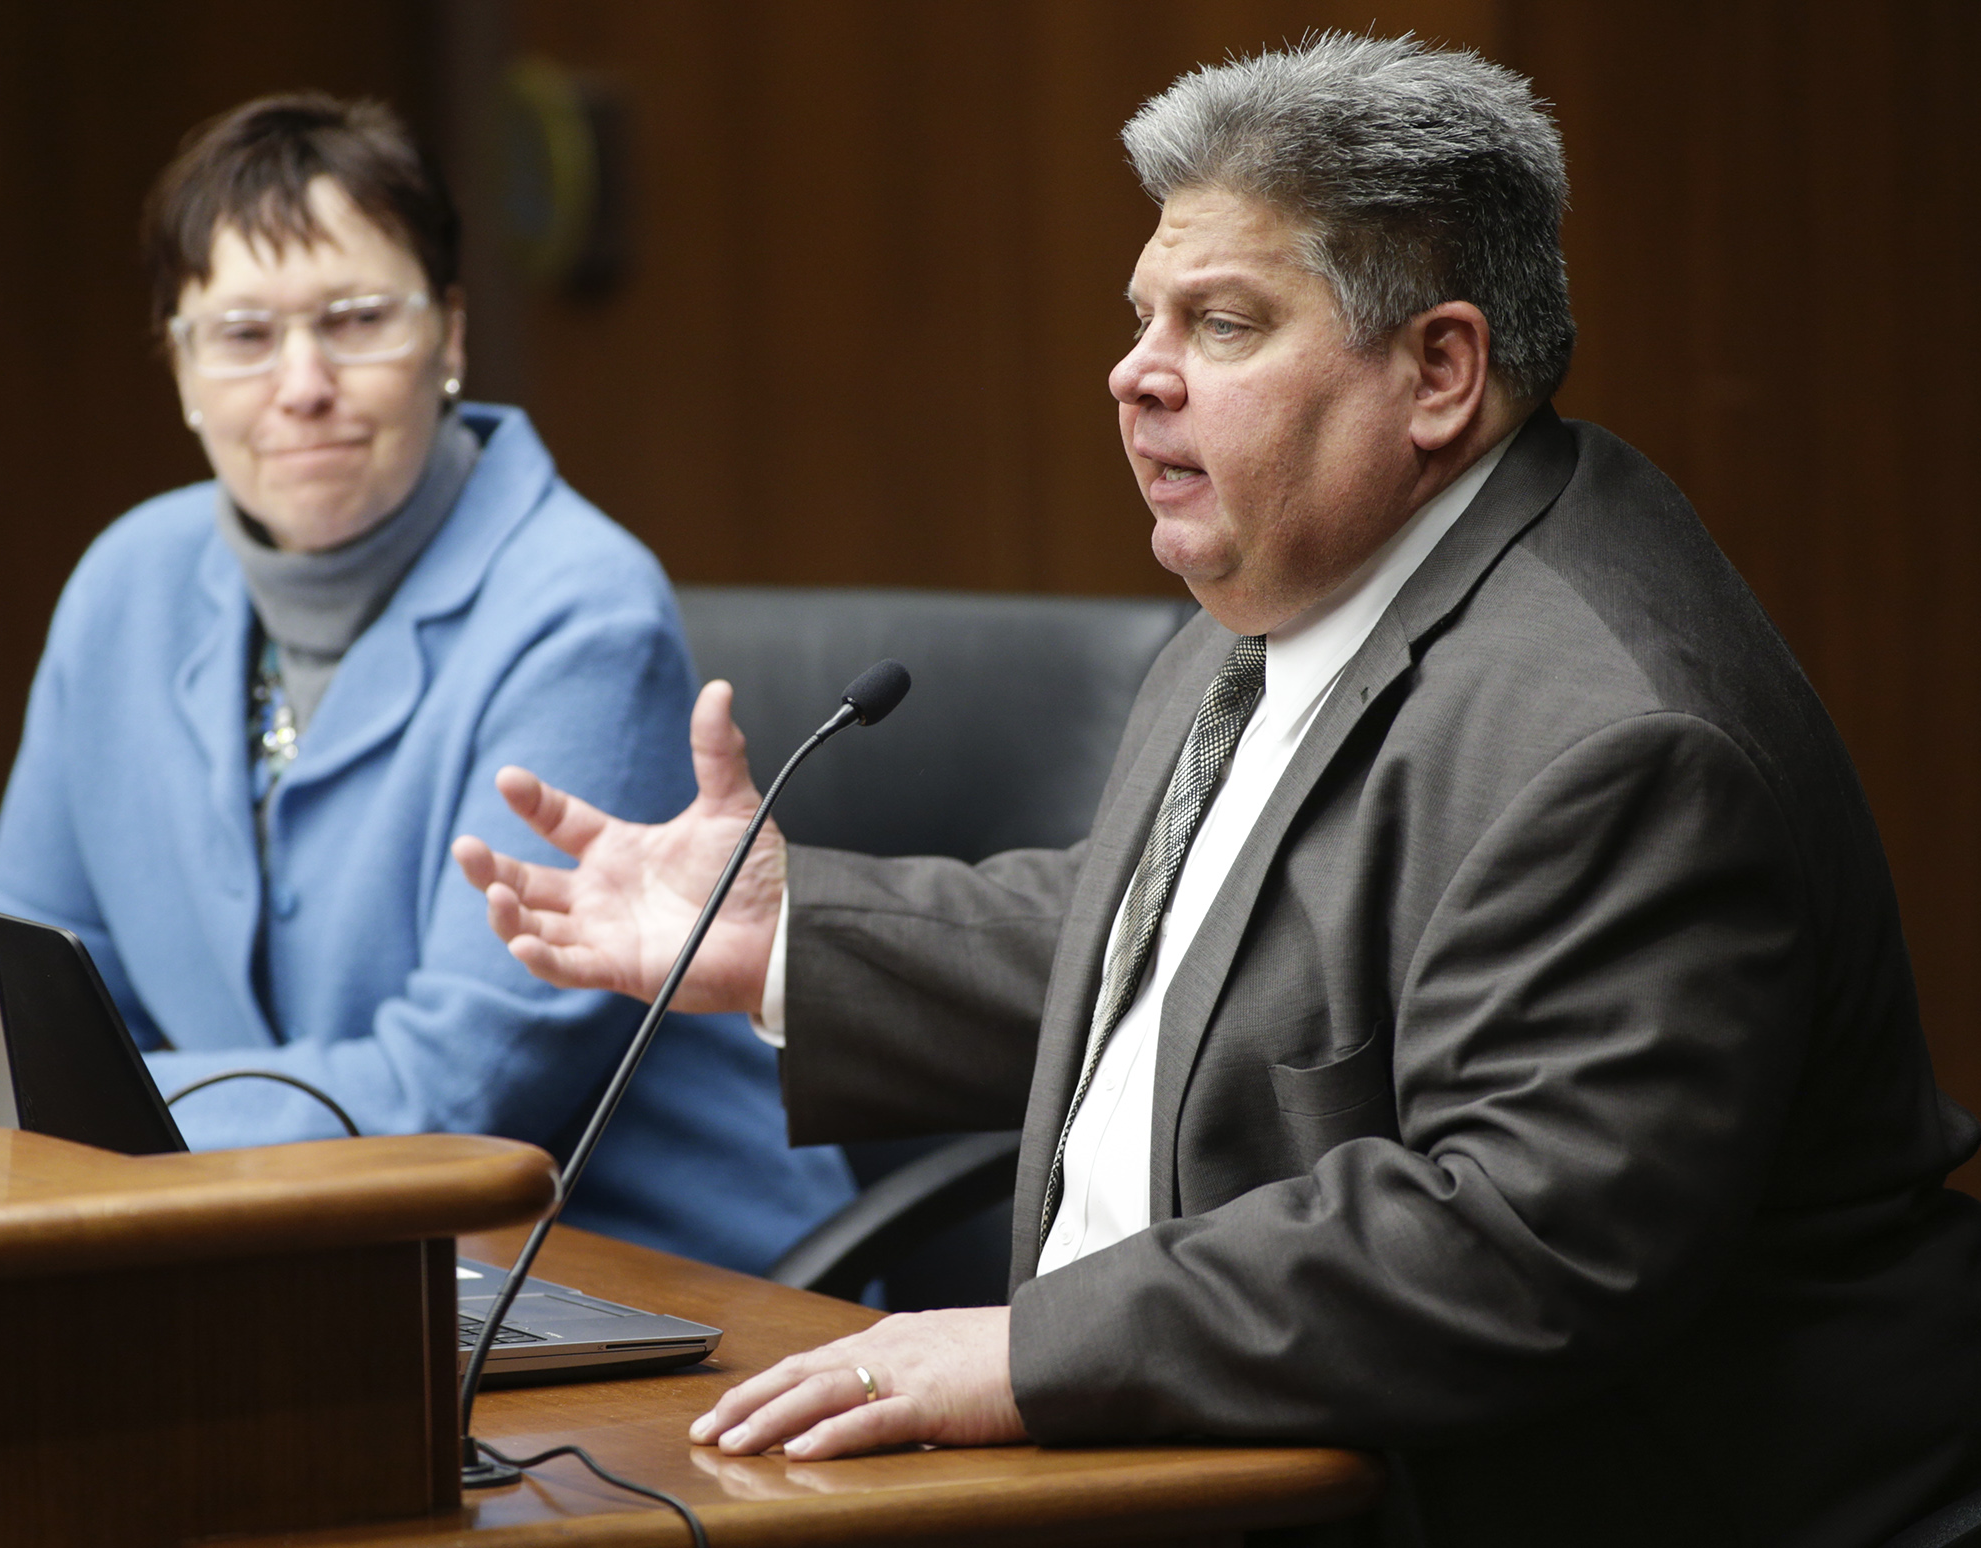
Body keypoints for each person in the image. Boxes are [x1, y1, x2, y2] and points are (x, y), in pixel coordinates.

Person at [453, 36, 1981, 1547]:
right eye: (1141, 318)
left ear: (1439, 371)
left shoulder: (1618, 743)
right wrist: (781, 941)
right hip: (1204, 1477)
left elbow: (1516, 1236)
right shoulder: (1287, 597)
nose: (1137, 374)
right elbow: (1201, 942)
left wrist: (1022, 1352)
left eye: (1224, 324)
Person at [0, 93, 853, 1275]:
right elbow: (19, 1002)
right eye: (239, 335)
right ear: (179, 366)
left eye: (356, 319)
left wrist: (96, 1112)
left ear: (451, 336)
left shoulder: (580, 611)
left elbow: (456, 1096)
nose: (302, 383)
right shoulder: (128, 581)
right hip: (306, 1272)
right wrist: (62, 1098)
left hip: (658, 1302)